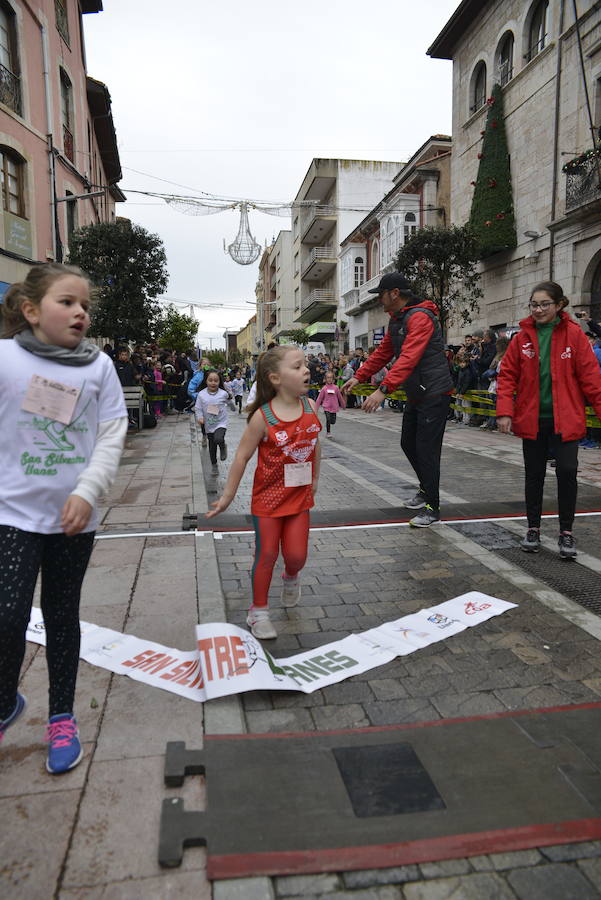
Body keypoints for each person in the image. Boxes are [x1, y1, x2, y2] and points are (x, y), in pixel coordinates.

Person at [0, 263, 127, 772]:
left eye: (85, 306)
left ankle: (61, 717)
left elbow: (112, 433)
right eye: (67, 302)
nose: (80, 312)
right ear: (31, 311)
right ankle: (7, 698)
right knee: (8, 613)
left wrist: (87, 491)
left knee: (60, 614)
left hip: (75, 517)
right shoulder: (5, 359)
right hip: (13, 511)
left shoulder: (98, 368)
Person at [206, 346, 321, 640]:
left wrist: (315, 481)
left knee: (296, 556)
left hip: (299, 499)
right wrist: (228, 496)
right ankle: (258, 612)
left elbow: (315, 443)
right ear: (276, 378)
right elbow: (242, 457)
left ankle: (291, 577)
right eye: (297, 366)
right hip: (267, 501)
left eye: (305, 364)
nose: (306, 370)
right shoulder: (263, 417)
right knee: (267, 554)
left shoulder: (311, 407)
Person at [497, 281, 601, 558]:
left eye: (545, 304)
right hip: (533, 420)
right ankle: (533, 528)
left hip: (566, 419)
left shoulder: (575, 336)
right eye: (534, 304)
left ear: (559, 305)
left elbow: (592, 380)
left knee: (567, 472)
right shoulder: (521, 338)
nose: (539, 309)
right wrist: (505, 411)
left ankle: (566, 532)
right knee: (534, 476)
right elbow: (507, 376)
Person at [342, 273, 453, 527]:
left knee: (426, 450)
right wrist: (359, 377)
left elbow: (410, 357)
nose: (379, 300)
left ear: (394, 293)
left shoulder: (420, 318)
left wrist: (383, 389)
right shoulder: (397, 320)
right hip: (418, 391)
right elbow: (383, 352)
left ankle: (432, 507)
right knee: (408, 443)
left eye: (381, 294)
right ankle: (426, 490)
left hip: (434, 392)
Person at [195, 370, 235, 475]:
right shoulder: (201, 394)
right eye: (210, 380)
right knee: (212, 447)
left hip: (221, 422)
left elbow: (229, 403)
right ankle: (214, 465)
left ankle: (222, 446)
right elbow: (198, 408)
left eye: (216, 381)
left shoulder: (223, 394)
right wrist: (200, 418)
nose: (213, 383)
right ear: (206, 381)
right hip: (209, 424)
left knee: (219, 438)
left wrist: (233, 407)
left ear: (219, 382)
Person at [315, 371, 346, 438]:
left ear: (333, 379)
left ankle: (331, 424)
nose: (329, 379)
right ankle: (328, 432)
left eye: (331, 378)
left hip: (334, 407)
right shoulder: (324, 388)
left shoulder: (336, 388)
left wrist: (343, 405)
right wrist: (316, 408)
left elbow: (339, 397)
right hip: (326, 407)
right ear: (325, 379)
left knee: (333, 421)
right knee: (328, 419)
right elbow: (319, 399)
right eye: (328, 378)